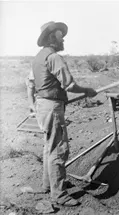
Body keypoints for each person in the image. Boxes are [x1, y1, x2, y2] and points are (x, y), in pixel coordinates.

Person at [26, 21, 97, 206]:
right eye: (59, 35)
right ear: (51, 38)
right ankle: (59, 195)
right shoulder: (54, 57)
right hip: (52, 108)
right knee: (58, 149)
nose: (63, 38)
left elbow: (30, 84)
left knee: (49, 147)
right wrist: (87, 90)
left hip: (43, 105)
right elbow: (70, 85)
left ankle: (48, 185)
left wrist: (32, 104)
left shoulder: (38, 58)